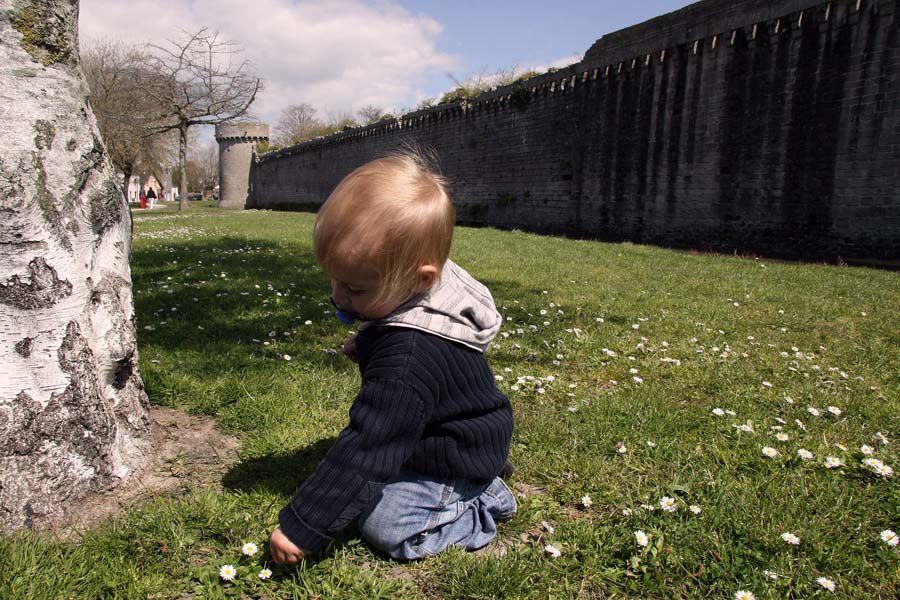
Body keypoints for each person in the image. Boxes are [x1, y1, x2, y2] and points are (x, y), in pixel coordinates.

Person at [269, 151, 516, 563]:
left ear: (421, 278)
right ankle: (478, 477)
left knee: (385, 523)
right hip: (461, 431)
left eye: (355, 289)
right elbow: (397, 322)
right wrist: (367, 343)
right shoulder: (418, 291)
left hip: (451, 456)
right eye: (334, 279)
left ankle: (481, 500)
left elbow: (369, 446)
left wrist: (303, 526)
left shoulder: (408, 359)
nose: (337, 297)